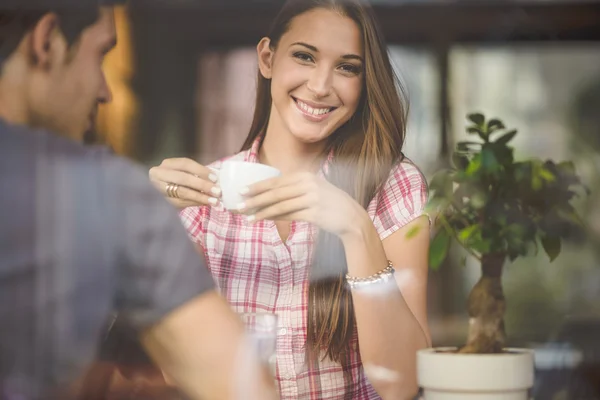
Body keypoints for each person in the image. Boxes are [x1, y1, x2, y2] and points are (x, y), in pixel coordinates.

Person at [150, 0, 431, 398]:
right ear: (267, 58)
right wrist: (148, 230)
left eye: (347, 67)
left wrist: (355, 227)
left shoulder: (392, 185)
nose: (320, 86)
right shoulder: (203, 200)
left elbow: (405, 383)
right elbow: (177, 374)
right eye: (304, 56)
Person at [0, 1, 276, 399]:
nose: (105, 92)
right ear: (46, 43)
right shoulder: (108, 198)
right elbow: (244, 390)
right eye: (100, 56)